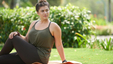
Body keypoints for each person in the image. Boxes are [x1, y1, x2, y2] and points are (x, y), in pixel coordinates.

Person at [0, 0, 67, 64]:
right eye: (42, 11)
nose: (45, 13)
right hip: (28, 55)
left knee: (14, 38)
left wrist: (64, 60)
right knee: (2, 59)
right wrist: (18, 35)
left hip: (40, 57)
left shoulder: (53, 26)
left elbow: (59, 45)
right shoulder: (33, 23)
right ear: (38, 13)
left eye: (47, 10)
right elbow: (26, 39)